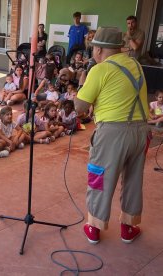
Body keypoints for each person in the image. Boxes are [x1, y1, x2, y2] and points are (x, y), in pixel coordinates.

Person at [74, 27, 149, 244]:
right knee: (134, 180)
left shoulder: (100, 70)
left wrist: (82, 82)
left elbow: (80, 106)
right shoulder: (135, 64)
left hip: (112, 135)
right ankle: (128, 227)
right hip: (141, 132)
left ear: (98, 50)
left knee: (99, 178)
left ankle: (94, 228)